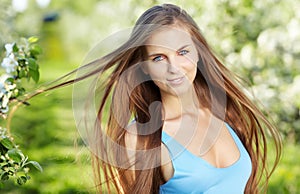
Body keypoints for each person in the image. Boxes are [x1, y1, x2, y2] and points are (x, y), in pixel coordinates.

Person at [48, 3, 281, 194]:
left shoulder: (225, 114)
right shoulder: (141, 139)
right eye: (159, 58)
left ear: (198, 52)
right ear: (144, 68)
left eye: (182, 52)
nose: (174, 68)